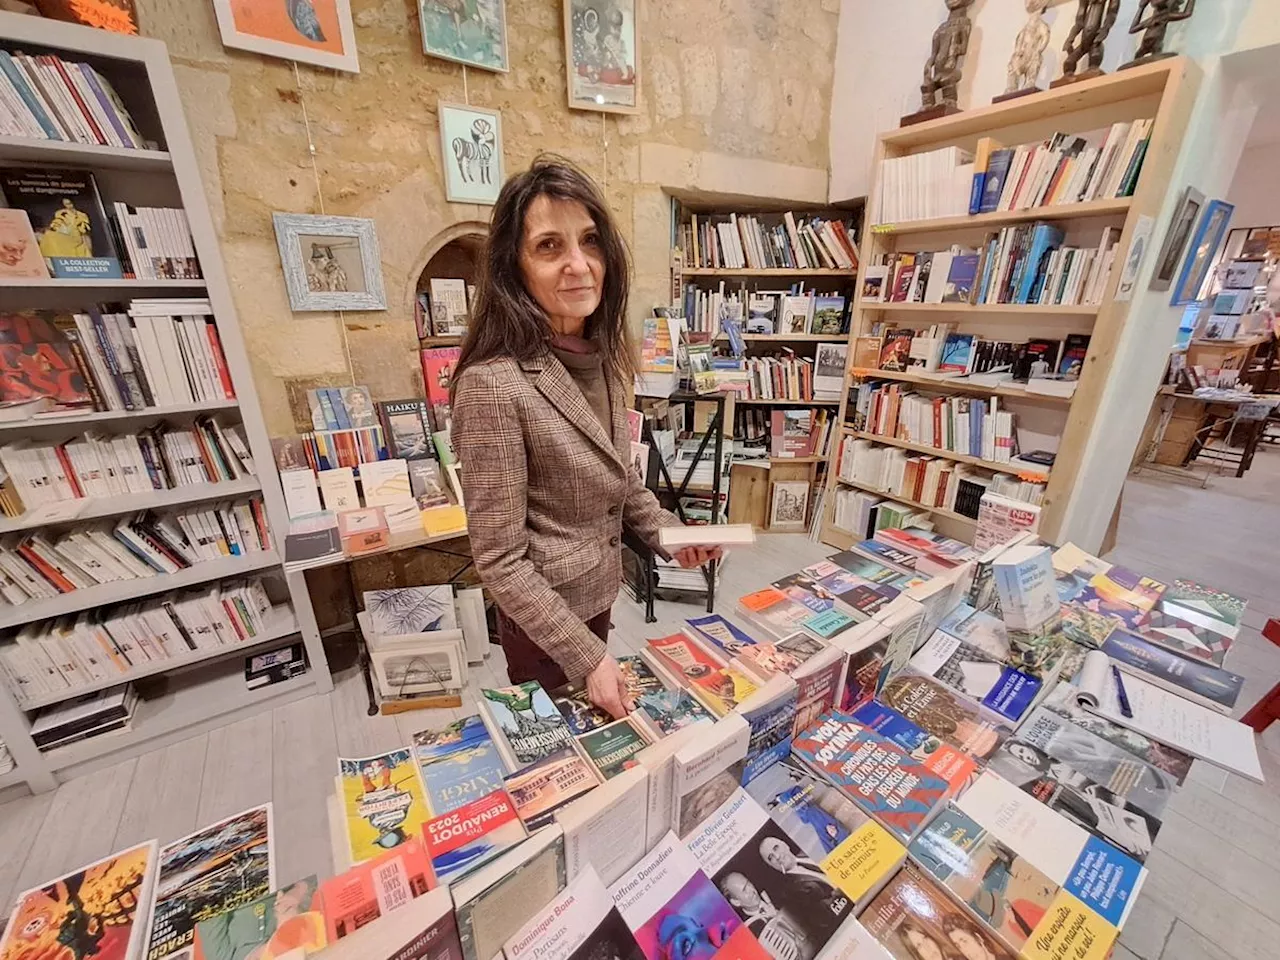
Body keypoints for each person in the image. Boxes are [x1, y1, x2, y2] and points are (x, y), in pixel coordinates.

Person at [452, 156, 719, 718]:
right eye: (550, 246)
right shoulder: (493, 386)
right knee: (559, 754)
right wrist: (588, 655)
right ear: (514, 267)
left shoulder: (605, 359)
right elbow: (499, 559)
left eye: (590, 241)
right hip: (542, 622)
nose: (578, 265)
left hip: (601, 592)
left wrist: (668, 534)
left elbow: (619, 482)